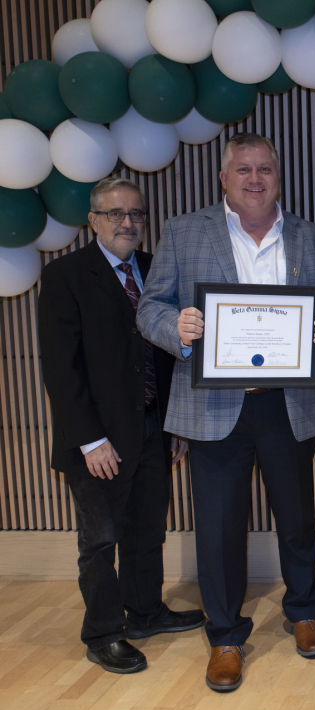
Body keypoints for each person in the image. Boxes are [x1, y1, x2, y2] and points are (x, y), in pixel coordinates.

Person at [137, 133, 315, 692]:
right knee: (217, 528)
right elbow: (151, 306)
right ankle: (225, 636)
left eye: (265, 170)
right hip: (214, 406)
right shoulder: (185, 233)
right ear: (223, 178)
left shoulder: (311, 236)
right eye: (243, 170)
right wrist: (174, 329)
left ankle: (304, 611)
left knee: (297, 518)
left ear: (278, 177)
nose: (255, 179)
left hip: (288, 403)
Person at [38, 177, 205, 674]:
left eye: (135, 213)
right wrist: (91, 440)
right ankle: (104, 632)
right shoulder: (66, 275)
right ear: (92, 220)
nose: (127, 223)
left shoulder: (155, 270)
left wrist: (174, 422)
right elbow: (60, 369)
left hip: (153, 428)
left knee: (147, 529)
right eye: (114, 214)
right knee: (100, 540)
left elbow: (169, 357)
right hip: (97, 439)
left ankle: (146, 612)